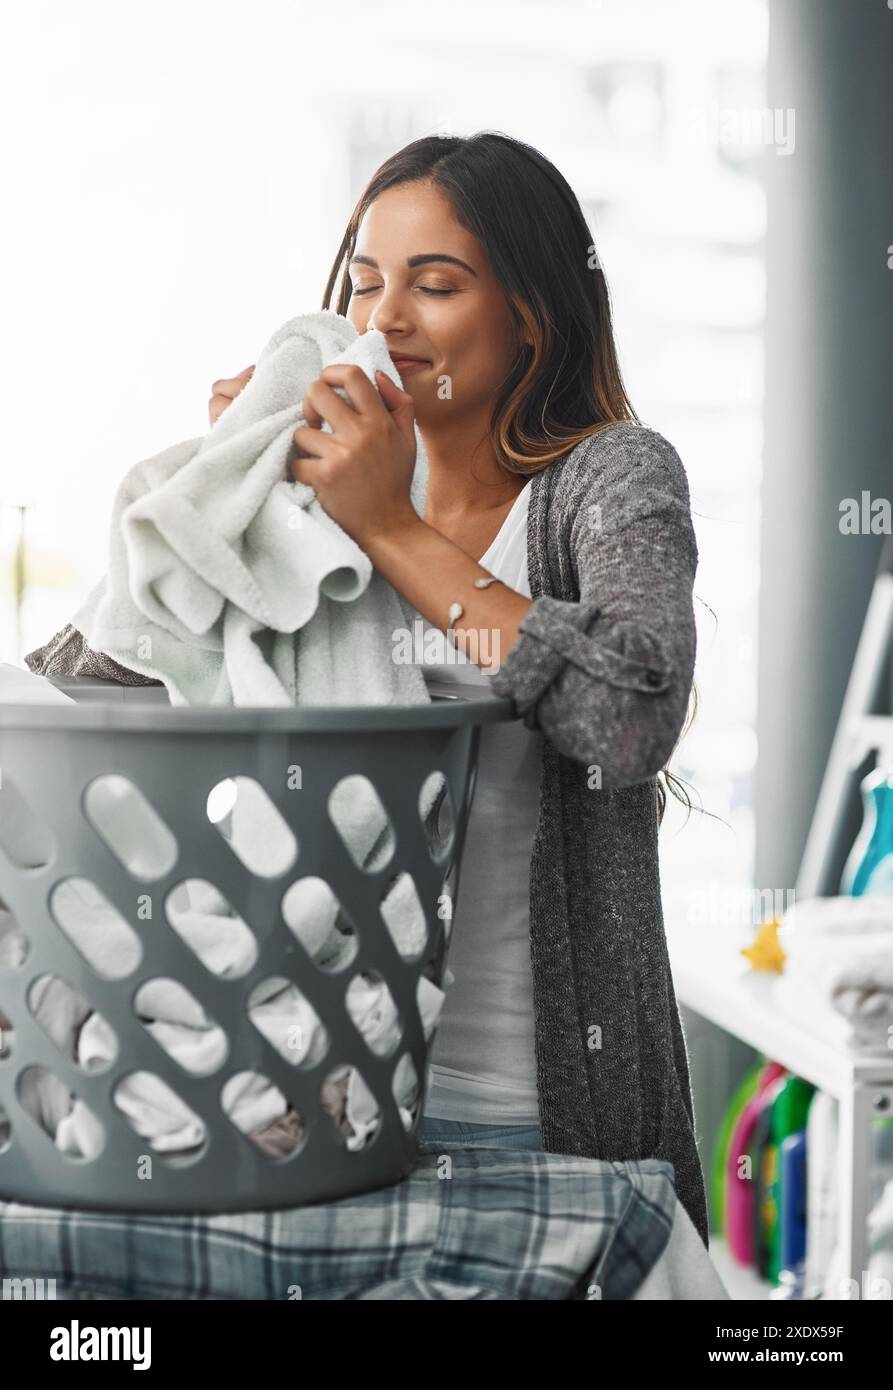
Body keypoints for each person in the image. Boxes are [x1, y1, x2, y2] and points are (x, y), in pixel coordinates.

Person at [210, 132, 709, 1246]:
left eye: (433, 285)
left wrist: (389, 526)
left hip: (543, 1125)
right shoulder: (308, 507)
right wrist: (228, 502)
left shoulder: (608, 478)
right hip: (323, 1114)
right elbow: (118, 680)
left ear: (530, 315)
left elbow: (631, 714)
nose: (384, 319)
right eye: (364, 282)